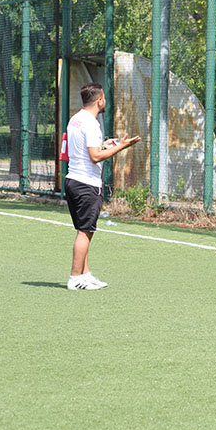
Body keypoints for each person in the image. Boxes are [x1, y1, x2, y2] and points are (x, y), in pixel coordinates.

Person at [65, 82, 141, 290]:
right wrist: (122, 147)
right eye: (104, 98)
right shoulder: (91, 123)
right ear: (99, 101)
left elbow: (86, 149)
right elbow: (95, 157)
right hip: (86, 184)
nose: (105, 101)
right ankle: (75, 278)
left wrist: (106, 145)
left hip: (72, 180)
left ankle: (85, 274)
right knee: (85, 232)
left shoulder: (75, 119)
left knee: (84, 231)